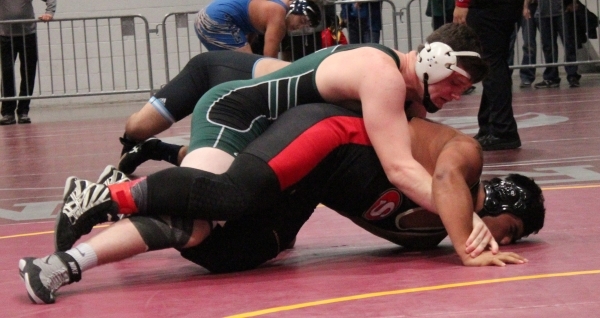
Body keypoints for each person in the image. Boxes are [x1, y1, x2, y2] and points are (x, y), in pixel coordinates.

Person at [20, 103, 545, 304]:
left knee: (221, 245)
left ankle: (61, 265)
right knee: (230, 196)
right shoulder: (464, 162)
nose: (505, 240)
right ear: (499, 198)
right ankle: (104, 198)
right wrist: (468, 243)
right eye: (512, 228)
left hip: (306, 190)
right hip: (321, 133)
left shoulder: (431, 233)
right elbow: (451, 176)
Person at [120, 23, 488, 223]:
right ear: (433, 62)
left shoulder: (409, 102)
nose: (456, 96)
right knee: (195, 208)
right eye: (454, 83)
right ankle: (113, 188)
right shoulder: (384, 77)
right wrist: (463, 221)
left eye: (464, 90)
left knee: (225, 191)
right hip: (234, 95)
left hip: (264, 121)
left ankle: (154, 155)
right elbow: (400, 168)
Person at [118, 51, 290, 173]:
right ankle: (134, 140)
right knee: (137, 128)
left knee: (224, 164)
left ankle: (155, 149)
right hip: (211, 72)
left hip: (241, 102)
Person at [454, 0, 522, 151]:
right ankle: (490, 126)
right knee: (496, 62)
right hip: (506, 7)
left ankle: (502, 129)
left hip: (488, 7)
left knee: (492, 64)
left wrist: (462, 3)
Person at [194, 0, 321, 58]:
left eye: (304, 26)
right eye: (301, 21)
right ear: (294, 11)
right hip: (217, 18)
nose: (298, 27)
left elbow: (249, 33)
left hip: (206, 16)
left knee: (226, 66)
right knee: (246, 67)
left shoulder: (274, 6)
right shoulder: (278, 17)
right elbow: (269, 57)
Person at [0, 0, 56, 125]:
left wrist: (50, 12)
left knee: (28, 72)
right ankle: (8, 112)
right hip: (6, 36)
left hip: (28, 35)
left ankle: (23, 111)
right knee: (7, 72)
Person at [533, 0, 581, 88]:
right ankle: (552, 77)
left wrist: (572, 2)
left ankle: (572, 75)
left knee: (568, 44)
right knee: (548, 47)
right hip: (543, 13)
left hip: (561, 11)